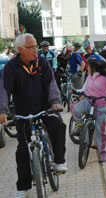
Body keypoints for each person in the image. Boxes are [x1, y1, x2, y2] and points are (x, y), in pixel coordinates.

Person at [0, 33, 67, 198]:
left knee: (58, 125)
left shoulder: (42, 63)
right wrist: (2, 110)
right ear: (20, 49)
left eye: (36, 46)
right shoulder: (11, 67)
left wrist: (55, 102)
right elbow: (3, 89)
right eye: (32, 47)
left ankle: (59, 161)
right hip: (23, 113)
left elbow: (51, 84)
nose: (36, 50)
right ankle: (23, 187)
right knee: (22, 151)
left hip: (45, 108)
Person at [71, 54, 106, 162]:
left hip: (102, 106)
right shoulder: (89, 77)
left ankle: (103, 153)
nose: (87, 67)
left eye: (89, 66)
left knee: (101, 131)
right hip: (89, 102)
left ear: (93, 67)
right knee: (75, 109)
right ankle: (80, 127)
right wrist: (76, 91)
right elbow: (84, 90)